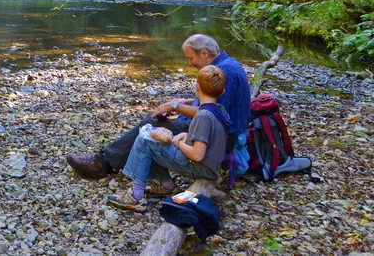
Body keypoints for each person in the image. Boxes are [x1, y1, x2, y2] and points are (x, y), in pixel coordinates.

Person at [66, 34, 250, 179]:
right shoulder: (225, 65)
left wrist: (175, 106)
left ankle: (103, 163)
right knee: (160, 121)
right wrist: (187, 101)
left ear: (204, 53)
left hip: (219, 138)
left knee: (151, 125)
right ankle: (116, 159)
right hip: (214, 130)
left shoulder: (225, 71)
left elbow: (212, 115)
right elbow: (213, 102)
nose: (189, 63)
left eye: (190, 58)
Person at [106, 65, 230, 212]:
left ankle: (135, 195)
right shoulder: (219, 110)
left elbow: (197, 155)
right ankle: (166, 185)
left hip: (200, 168)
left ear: (197, 88)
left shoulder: (203, 115)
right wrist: (186, 136)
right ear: (222, 91)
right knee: (156, 138)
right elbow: (209, 139)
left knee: (144, 140)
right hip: (211, 166)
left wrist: (179, 144)